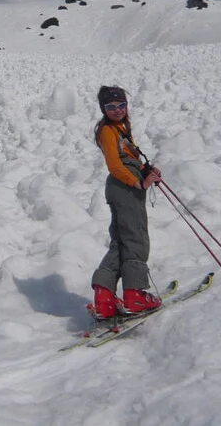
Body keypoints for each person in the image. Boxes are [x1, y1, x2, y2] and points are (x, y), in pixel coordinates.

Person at [89, 85, 163, 318]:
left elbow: (126, 158)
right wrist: (139, 183)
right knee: (135, 238)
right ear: (103, 108)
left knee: (121, 241)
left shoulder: (119, 128)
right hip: (125, 189)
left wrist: (145, 169)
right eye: (111, 106)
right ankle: (135, 295)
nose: (118, 110)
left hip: (122, 188)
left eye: (121, 105)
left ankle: (104, 299)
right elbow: (115, 165)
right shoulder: (107, 131)